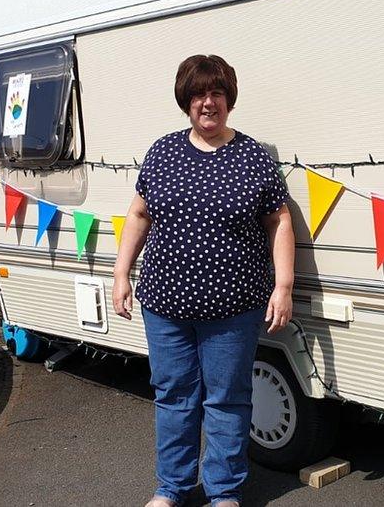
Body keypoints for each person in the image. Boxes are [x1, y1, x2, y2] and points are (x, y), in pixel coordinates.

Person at [112, 54, 295, 507]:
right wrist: (121, 273)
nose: (207, 102)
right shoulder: (163, 152)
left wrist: (284, 286)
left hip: (234, 309)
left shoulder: (252, 157)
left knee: (227, 400)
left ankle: (224, 491)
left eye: (215, 93)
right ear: (186, 102)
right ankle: (171, 487)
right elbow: (138, 214)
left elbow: (279, 221)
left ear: (229, 99)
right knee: (174, 396)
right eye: (198, 94)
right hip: (165, 304)